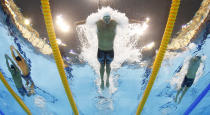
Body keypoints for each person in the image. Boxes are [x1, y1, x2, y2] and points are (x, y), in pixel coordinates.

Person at [76, 14, 145, 89]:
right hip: (101, 50)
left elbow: (127, 21)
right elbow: (87, 22)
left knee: (108, 65)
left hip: (110, 51)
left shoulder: (114, 22)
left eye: (108, 18)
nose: (106, 20)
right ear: (102, 18)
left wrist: (138, 22)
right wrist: (78, 22)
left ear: (110, 18)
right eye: (105, 18)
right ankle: (102, 80)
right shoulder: (98, 22)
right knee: (102, 65)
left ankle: (107, 79)